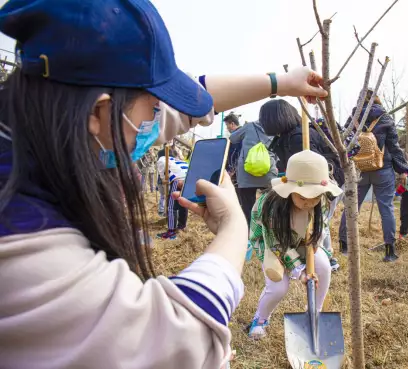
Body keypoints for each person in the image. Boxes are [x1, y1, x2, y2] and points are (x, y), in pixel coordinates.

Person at [0, 0, 328, 367]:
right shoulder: (18, 227)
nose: (158, 122)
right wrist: (233, 228)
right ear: (97, 112)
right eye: (153, 108)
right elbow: (168, 339)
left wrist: (279, 83)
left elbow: (191, 102)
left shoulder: (34, 117)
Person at [247, 150, 342, 339]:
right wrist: (299, 271)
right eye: (302, 197)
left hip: (301, 240)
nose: (308, 203)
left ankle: (314, 313)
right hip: (272, 243)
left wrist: (315, 245)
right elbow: (277, 243)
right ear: (290, 190)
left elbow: (320, 224)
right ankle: (260, 319)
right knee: (278, 287)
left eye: (314, 197)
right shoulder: (271, 206)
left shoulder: (320, 201)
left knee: (323, 266)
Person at [260, 99, 343, 270]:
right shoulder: (289, 136)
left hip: (319, 187)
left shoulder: (299, 138)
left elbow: (308, 171)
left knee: (318, 220)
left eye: (264, 120)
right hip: (313, 186)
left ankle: (325, 257)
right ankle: (319, 255)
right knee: (314, 220)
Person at [339, 89, 408, 262]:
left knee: (351, 207)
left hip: (359, 170)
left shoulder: (354, 118)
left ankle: (344, 246)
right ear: (377, 100)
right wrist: (402, 170)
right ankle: (389, 251)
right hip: (382, 169)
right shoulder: (385, 118)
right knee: (386, 209)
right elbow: (394, 147)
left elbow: (344, 142)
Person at [230, 120, 277, 224]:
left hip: (247, 172)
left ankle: (250, 232)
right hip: (268, 172)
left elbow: (232, 138)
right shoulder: (276, 127)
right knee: (271, 204)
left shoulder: (249, 126)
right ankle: (268, 229)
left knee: (247, 206)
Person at [156, 148, 189, 240]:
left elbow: (162, 168)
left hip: (177, 180)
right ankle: (182, 226)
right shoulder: (177, 159)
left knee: (171, 207)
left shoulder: (162, 159)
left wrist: (163, 179)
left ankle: (171, 232)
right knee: (183, 203)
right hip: (188, 179)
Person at [224, 113, 242, 187]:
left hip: (236, 172)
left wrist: (231, 170)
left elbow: (233, 154)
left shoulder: (235, 136)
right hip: (245, 169)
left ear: (232, 124)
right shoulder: (244, 133)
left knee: (236, 194)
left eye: (227, 125)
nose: (227, 128)